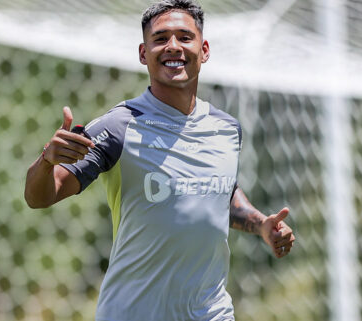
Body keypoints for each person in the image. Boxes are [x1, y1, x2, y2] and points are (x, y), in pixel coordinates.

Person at [24, 0, 295, 320]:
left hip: (211, 313)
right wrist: (46, 161)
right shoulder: (118, 127)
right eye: (161, 38)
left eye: (184, 36)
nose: (173, 47)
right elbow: (41, 196)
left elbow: (220, 190)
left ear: (204, 49)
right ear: (143, 53)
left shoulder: (226, 129)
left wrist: (260, 224)